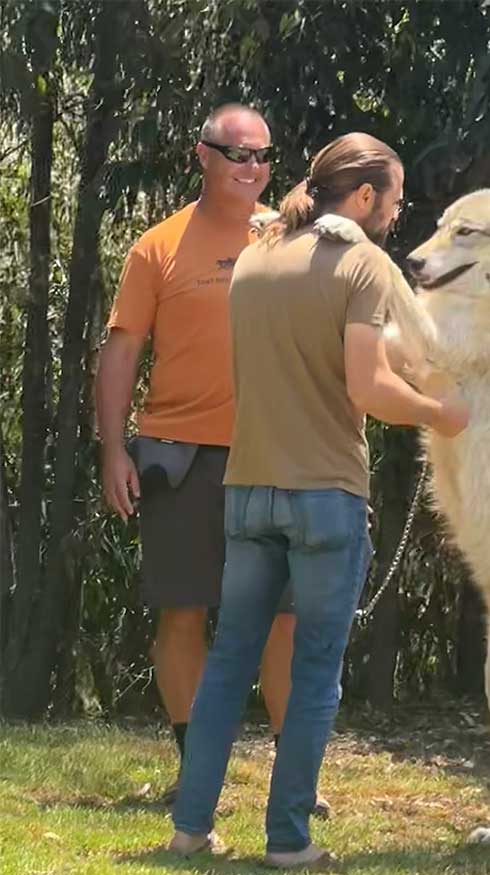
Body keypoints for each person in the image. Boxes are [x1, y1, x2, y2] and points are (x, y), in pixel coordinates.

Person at [169, 132, 470, 867]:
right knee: (313, 673)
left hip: (247, 491)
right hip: (323, 498)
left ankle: (189, 828)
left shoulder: (257, 255)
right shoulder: (359, 263)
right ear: (364, 196)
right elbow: (368, 388)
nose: (396, 215)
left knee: (230, 658)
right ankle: (289, 841)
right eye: (394, 200)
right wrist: (442, 414)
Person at [96, 104, 296, 789]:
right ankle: (198, 767)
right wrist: (112, 450)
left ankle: (295, 772)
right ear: (202, 155)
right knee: (184, 612)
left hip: (273, 457)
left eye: (264, 156)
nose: (253, 168)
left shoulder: (286, 239)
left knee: (284, 617)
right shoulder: (159, 245)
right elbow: (122, 351)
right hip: (178, 456)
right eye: (239, 154)